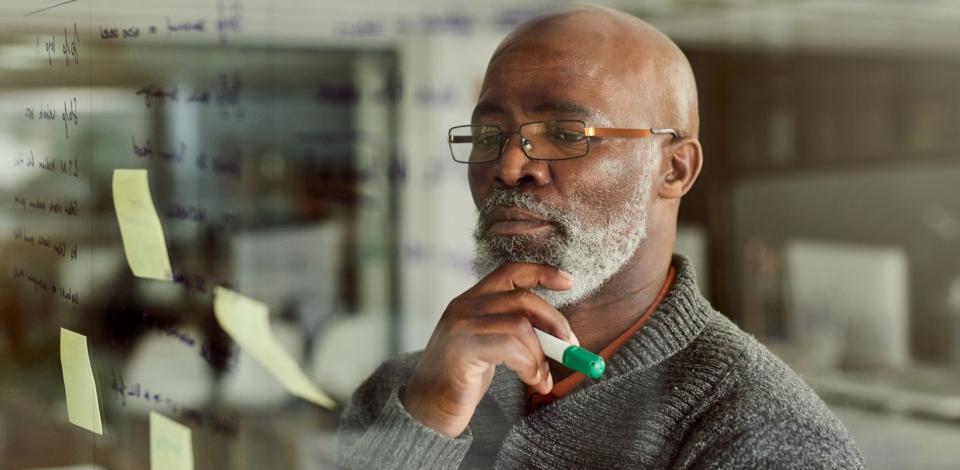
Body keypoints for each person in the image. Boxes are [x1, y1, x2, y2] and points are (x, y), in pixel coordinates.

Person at [338, 5, 863, 469]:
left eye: (567, 135)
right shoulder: (405, 393)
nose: (510, 164)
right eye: (487, 135)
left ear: (675, 169)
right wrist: (424, 425)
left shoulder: (765, 437)